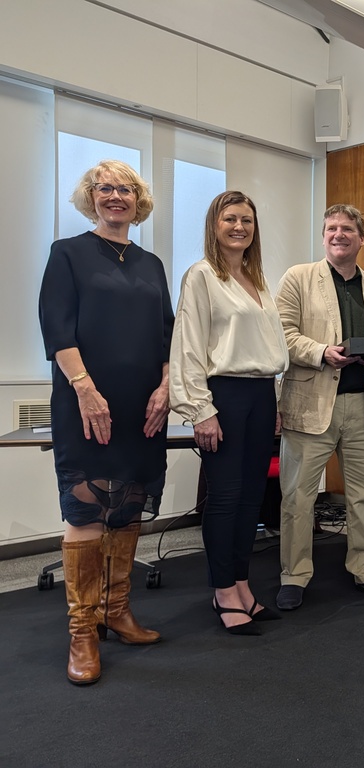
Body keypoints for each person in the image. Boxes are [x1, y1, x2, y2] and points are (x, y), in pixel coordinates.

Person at [39, 160, 173, 684]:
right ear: (90, 197)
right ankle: (82, 631)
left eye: (126, 189)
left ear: (138, 201)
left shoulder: (151, 263)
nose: (115, 196)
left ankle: (117, 612)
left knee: (130, 508)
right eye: (105, 188)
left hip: (143, 406)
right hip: (85, 403)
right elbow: (57, 329)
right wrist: (85, 390)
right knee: (86, 512)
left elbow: (166, 335)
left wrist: (165, 388)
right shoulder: (67, 253)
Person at [170, 191, 289, 635]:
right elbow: (188, 346)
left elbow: (268, 349)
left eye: (247, 221)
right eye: (230, 219)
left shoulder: (257, 280)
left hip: (260, 396)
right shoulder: (202, 276)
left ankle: (242, 584)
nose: (240, 227)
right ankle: (223, 592)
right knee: (224, 497)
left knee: (250, 498)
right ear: (214, 225)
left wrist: (274, 401)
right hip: (223, 397)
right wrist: (201, 409)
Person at [275, 204, 364, 610]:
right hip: (310, 407)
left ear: (361, 238)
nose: (338, 234)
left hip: (362, 405)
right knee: (297, 497)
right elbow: (282, 335)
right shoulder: (298, 278)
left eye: (347, 229)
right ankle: (294, 573)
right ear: (323, 235)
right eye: (331, 228)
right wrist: (322, 351)